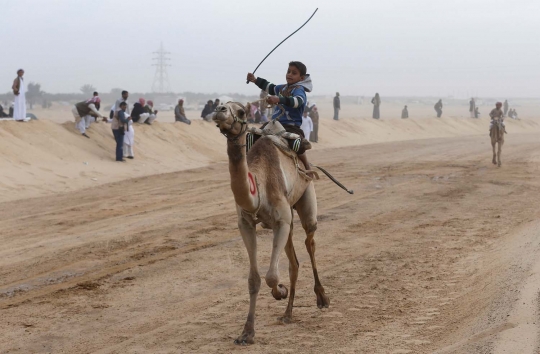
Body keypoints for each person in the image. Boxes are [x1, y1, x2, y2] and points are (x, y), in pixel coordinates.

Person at [246, 60, 313, 173]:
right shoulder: (281, 88)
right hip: (274, 124)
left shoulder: (299, 90)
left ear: (301, 78)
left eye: (294, 73)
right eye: (288, 71)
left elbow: (298, 101)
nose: (290, 74)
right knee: (251, 137)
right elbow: (269, 87)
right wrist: (255, 80)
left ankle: (307, 166)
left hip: (291, 126)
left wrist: (279, 99)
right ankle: (247, 163)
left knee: (296, 145)